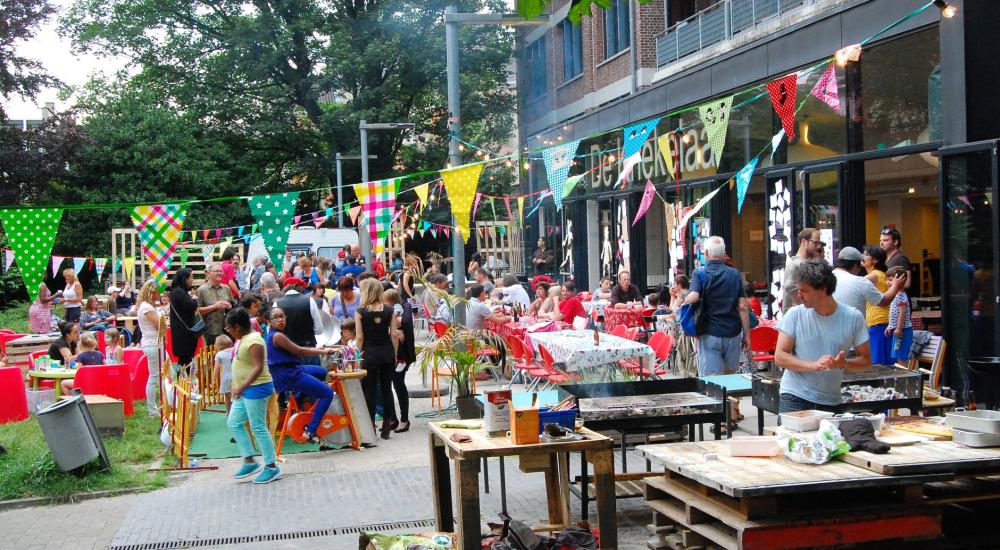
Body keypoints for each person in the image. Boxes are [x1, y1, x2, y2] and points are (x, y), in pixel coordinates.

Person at [775, 260, 871, 412]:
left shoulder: (853, 317)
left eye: (804, 291)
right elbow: (780, 356)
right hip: (795, 395)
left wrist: (843, 363)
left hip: (831, 400)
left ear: (822, 289)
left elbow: (866, 360)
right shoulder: (795, 315)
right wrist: (814, 366)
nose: (799, 296)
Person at [225, 307, 281, 484]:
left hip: (257, 388)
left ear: (237, 327)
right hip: (245, 389)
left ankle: (271, 466)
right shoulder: (243, 339)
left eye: (229, 328)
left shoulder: (254, 341)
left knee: (258, 427)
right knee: (233, 422)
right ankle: (249, 460)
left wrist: (241, 386)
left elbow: (257, 368)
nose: (228, 331)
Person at [683, 236, 751, 377]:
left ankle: (720, 399)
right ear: (723, 254)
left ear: (706, 253)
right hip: (733, 333)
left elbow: (694, 296)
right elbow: (743, 307)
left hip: (710, 332)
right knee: (730, 375)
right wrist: (747, 335)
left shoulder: (699, 273)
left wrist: (683, 299)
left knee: (712, 378)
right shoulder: (735, 274)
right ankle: (730, 399)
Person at [265, 307, 336, 443]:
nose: (280, 320)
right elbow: (299, 351)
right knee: (327, 393)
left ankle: (298, 398)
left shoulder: (277, 334)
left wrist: (317, 349)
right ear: (268, 321)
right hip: (289, 374)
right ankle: (310, 431)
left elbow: (296, 349)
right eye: (275, 317)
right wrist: (323, 351)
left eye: (282, 316)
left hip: (292, 369)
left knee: (321, 372)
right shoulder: (277, 336)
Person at [355, 278, 398, 439]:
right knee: (387, 389)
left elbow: (359, 338)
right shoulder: (389, 310)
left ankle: (371, 424)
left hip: (369, 354)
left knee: (369, 390)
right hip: (386, 352)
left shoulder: (360, 312)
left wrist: (357, 358)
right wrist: (394, 353)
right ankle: (387, 424)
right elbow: (394, 334)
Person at [170, 268, 223, 372]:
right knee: (185, 359)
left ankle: (183, 380)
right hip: (183, 333)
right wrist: (194, 298)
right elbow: (191, 306)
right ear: (184, 279)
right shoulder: (179, 293)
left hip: (184, 331)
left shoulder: (179, 291)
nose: (192, 280)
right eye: (191, 277)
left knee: (185, 359)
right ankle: (182, 380)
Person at [831, 247, 904, 320]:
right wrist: (895, 285)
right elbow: (883, 301)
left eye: (867, 254)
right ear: (855, 265)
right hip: (875, 321)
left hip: (876, 319)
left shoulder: (828, 277)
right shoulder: (861, 281)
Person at [383, 289, 414, 433]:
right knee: (392, 385)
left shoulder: (401, 309)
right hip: (394, 355)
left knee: (398, 384)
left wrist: (393, 328)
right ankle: (395, 418)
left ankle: (404, 419)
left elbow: (400, 320)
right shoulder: (398, 310)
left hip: (402, 356)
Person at [275, 277, 324, 357]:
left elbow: (274, 331)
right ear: (301, 288)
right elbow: (319, 329)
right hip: (308, 350)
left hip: (286, 351)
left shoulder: (277, 303)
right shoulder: (310, 301)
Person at [135, 279, 162, 416]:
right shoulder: (147, 308)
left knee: (168, 374)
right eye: (158, 291)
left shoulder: (146, 306)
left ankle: (167, 403)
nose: (160, 294)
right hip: (153, 343)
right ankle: (152, 410)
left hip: (154, 343)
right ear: (153, 292)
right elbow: (159, 325)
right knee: (154, 377)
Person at [781, 228, 825, 313]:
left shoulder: (805, 263)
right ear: (804, 242)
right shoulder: (796, 264)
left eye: (819, 243)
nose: (818, 246)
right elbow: (789, 286)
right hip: (796, 319)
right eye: (815, 242)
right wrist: (806, 304)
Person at [862, 245, 892, 366]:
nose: (863, 256)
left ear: (875, 260)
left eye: (867, 254)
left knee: (878, 362)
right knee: (886, 361)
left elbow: (857, 284)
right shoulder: (882, 274)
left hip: (878, 322)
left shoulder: (874, 275)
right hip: (882, 321)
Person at [198, 264, 235, 345]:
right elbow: (197, 311)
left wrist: (230, 306)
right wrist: (214, 306)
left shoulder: (226, 288)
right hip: (210, 330)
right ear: (209, 273)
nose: (219, 273)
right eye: (216, 271)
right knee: (212, 355)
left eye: (221, 271)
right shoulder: (202, 290)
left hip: (227, 329)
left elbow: (233, 306)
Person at [885, 266, 913, 365]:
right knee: (897, 353)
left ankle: (903, 375)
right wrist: (890, 325)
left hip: (903, 330)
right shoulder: (895, 295)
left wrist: (898, 328)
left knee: (901, 355)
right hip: (899, 330)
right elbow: (894, 313)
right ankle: (900, 374)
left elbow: (902, 313)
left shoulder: (901, 295)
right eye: (887, 280)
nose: (887, 282)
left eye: (890, 280)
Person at [213, 334, 235, 414]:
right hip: (235, 376)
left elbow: (216, 368)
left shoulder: (219, 354)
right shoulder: (234, 350)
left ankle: (228, 411)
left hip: (225, 377)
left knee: (227, 395)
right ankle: (234, 412)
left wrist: (214, 380)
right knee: (234, 396)